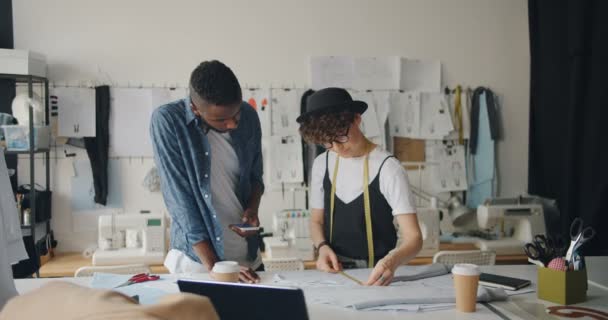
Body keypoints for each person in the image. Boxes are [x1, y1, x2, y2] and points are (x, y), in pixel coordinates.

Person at [150, 60, 264, 283]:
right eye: (221, 119)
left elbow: (255, 178)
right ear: (195, 108)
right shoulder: (168, 121)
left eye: (236, 114)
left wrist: (252, 208)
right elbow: (179, 199)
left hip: (247, 256)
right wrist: (215, 266)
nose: (232, 124)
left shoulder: (249, 116)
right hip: (198, 262)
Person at [297, 87, 423, 286]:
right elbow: (316, 222)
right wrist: (321, 247)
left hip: (377, 273)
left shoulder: (388, 168)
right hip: (333, 274)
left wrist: (391, 262)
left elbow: (414, 238)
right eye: (327, 143)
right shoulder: (322, 163)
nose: (337, 148)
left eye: (340, 136)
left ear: (356, 119)